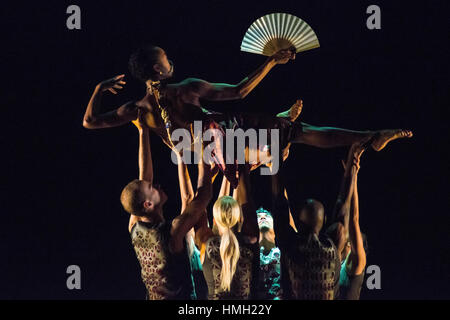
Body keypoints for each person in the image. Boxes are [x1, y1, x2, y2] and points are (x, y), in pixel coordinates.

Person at [82, 45, 412, 188]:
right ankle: (369, 136)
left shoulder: (137, 110)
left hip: (198, 156)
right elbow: (240, 91)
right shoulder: (186, 87)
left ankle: (279, 125)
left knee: (210, 193)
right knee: (299, 131)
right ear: (158, 68)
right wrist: (271, 62)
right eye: (165, 58)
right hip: (228, 136)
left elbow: (90, 122)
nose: (170, 60)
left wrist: (98, 89)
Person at [120, 110, 212, 299]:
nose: (157, 185)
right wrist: (204, 147)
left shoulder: (134, 227)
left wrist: (142, 131)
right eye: (153, 188)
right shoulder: (172, 233)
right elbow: (203, 195)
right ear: (148, 204)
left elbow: (143, 178)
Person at [271, 141, 367, 300]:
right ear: (323, 223)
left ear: (299, 224)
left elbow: (278, 200)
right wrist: (352, 163)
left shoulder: (291, 245)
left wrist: (275, 158)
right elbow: (343, 208)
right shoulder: (331, 248)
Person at [199, 167, 260, 299]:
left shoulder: (207, 244)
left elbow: (199, 204)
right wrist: (241, 173)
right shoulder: (250, 242)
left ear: (215, 219)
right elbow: (247, 209)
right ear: (239, 218)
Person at [256, 207, 283, 300]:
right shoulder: (246, 250)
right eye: (258, 216)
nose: (263, 218)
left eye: (266, 215)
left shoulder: (283, 249)